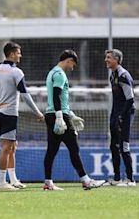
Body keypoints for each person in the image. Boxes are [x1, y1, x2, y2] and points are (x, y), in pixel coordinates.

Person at [43, 50, 105, 191]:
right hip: (59, 115)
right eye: (73, 64)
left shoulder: (52, 72)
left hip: (53, 114)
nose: (72, 68)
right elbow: (57, 96)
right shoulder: (59, 74)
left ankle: (48, 182)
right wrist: (60, 116)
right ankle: (86, 181)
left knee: (51, 150)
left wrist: (70, 114)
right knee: (73, 148)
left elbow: (58, 98)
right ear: (69, 60)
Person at [0, 42, 44, 190]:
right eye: (18, 53)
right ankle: (1, 182)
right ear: (12, 54)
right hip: (9, 113)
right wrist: (37, 112)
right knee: (6, 147)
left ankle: (13, 179)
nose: (20, 55)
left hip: (0, 113)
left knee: (12, 146)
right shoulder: (16, 72)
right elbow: (25, 95)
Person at [105, 49, 136, 187]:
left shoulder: (123, 75)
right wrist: (113, 117)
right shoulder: (113, 75)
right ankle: (117, 178)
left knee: (124, 146)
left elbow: (130, 100)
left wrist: (121, 117)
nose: (106, 60)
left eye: (109, 57)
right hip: (115, 114)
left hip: (125, 115)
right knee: (113, 146)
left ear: (116, 59)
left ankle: (130, 179)